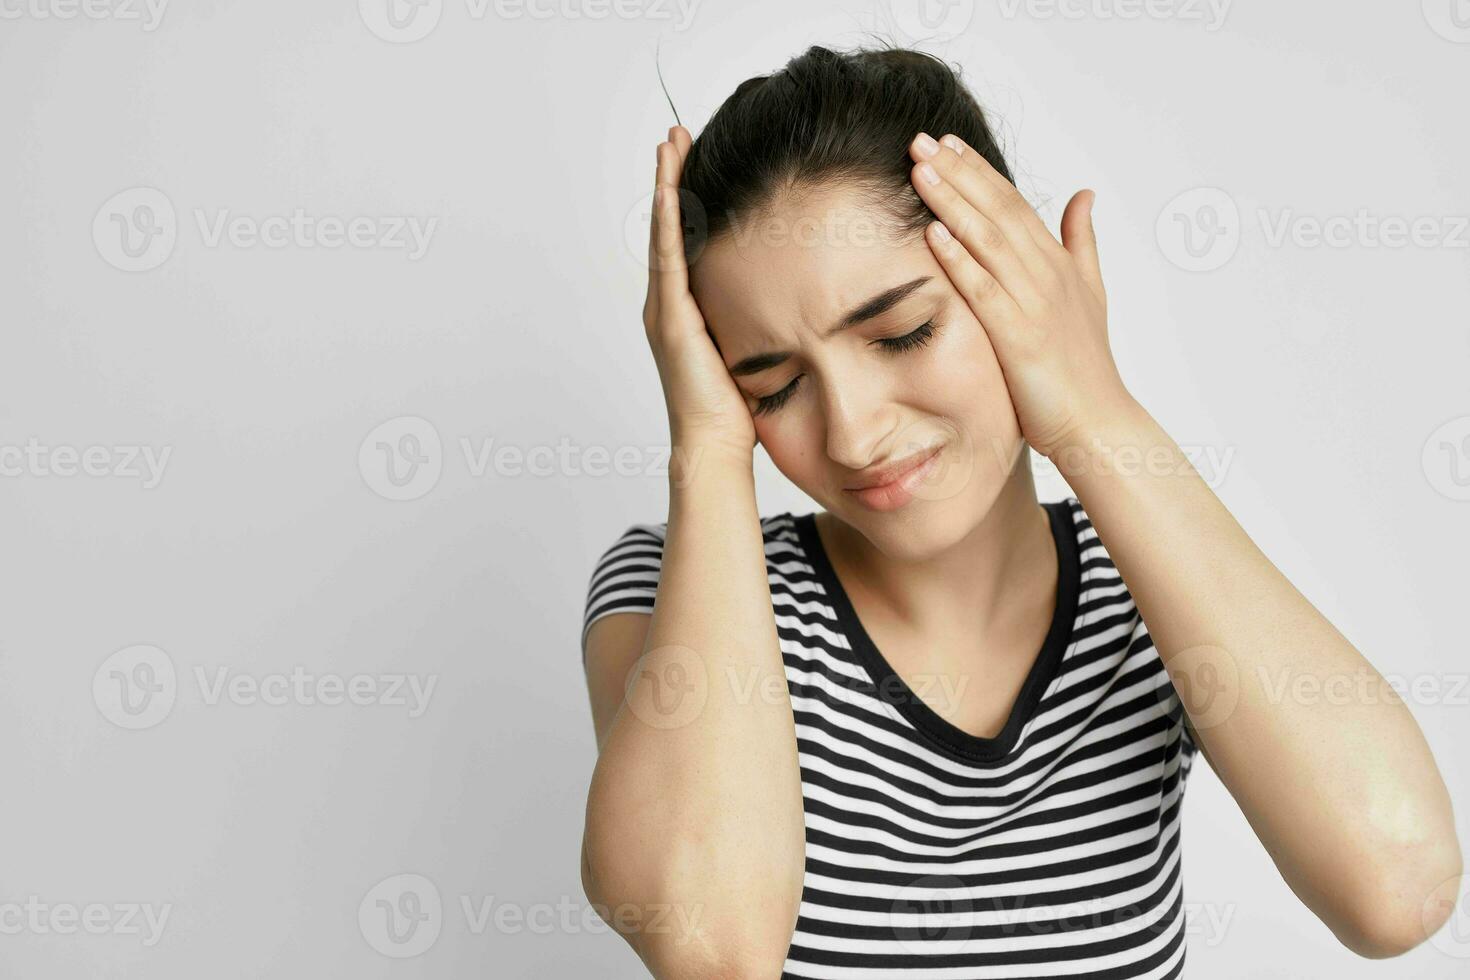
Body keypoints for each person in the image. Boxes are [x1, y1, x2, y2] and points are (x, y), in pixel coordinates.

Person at [578, 43, 1461, 979]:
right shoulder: (677, 585)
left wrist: (1093, 409)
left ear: (1017, 279)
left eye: (901, 332)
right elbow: (707, 952)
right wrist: (710, 453)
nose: (852, 435)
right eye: (772, 385)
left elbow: (1399, 892)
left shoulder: (1145, 580)